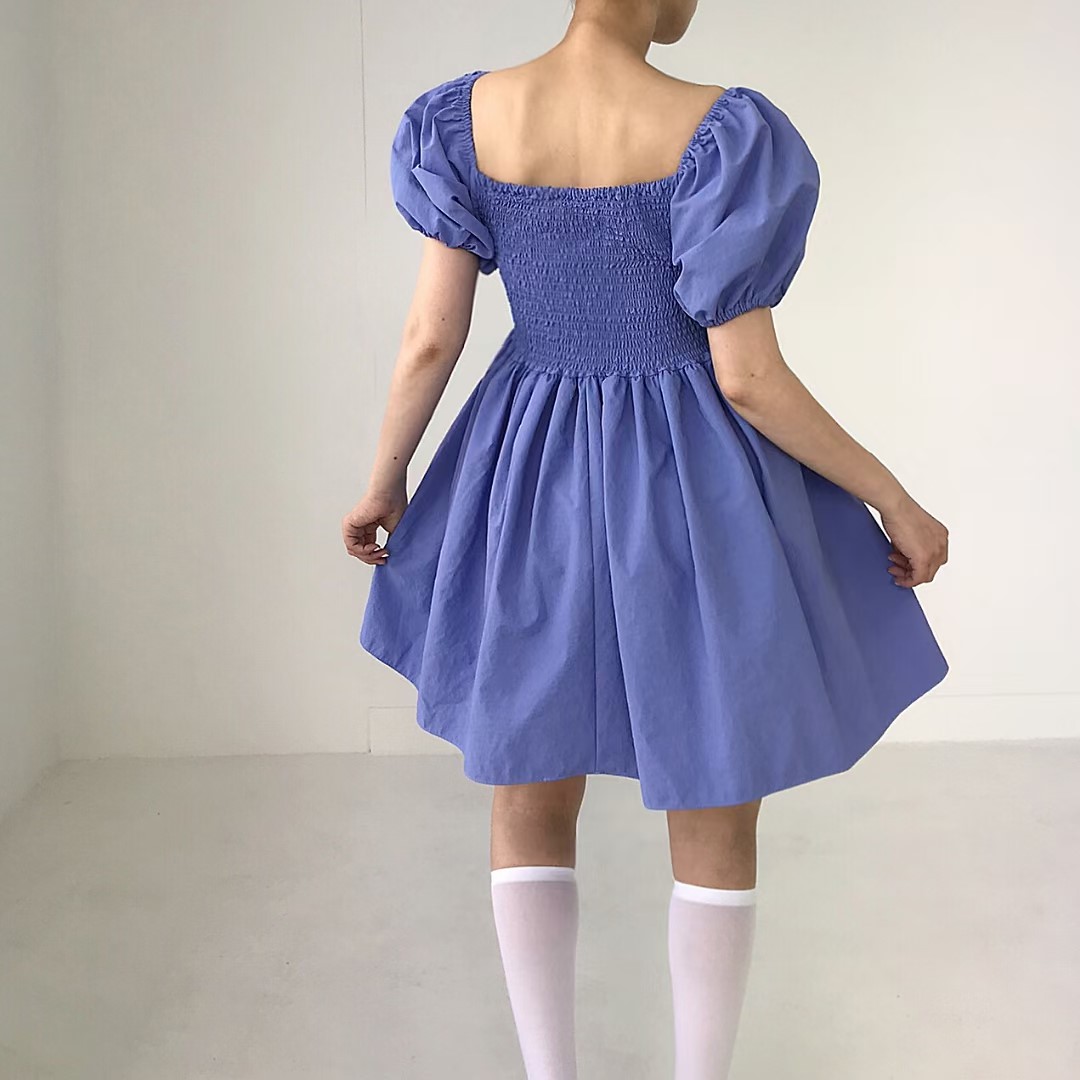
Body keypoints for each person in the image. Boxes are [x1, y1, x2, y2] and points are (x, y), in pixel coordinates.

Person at [342, 1, 949, 1076]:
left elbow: (434, 334)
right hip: (689, 481)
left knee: (528, 783)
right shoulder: (722, 132)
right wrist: (892, 496)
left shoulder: (464, 121)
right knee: (714, 777)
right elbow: (746, 378)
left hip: (528, 468)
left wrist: (387, 477)